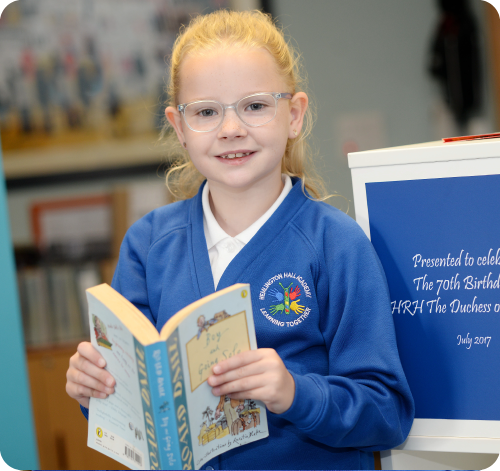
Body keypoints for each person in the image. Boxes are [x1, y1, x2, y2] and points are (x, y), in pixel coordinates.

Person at [66, 9, 414, 469]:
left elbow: (388, 413)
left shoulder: (337, 244)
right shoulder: (148, 244)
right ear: (179, 127)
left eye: (254, 105)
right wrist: (96, 390)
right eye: (207, 112)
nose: (231, 128)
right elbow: (138, 408)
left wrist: (294, 393)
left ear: (293, 114)